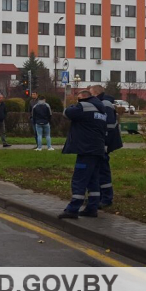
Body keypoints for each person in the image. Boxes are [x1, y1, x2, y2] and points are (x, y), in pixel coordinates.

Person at [58, 89, 108, 219]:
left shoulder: (84, 106)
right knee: (93, 181)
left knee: (79, 180)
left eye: (78, 99)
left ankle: (72, 209)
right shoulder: (101, 110)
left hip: (86, 149)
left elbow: (67, 113)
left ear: (83, 98)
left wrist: (74, 104)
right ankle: (92, 208)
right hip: (98, 149)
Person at [91, 85, 123, 207]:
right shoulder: (103, 103)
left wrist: (104, 143)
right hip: (101, 142)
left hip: (104, 143)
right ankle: (99, 197)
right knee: (98, 170)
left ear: (95, 93)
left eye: (91, 93)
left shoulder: (104, 104)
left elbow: (109, 125)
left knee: (103, 171)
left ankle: (106, 198)